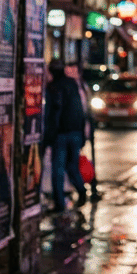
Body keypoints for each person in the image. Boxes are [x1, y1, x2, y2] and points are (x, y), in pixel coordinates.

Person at [44, 58, 88, 213]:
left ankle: (59, 203)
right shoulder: (72, 84)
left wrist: (49, 136)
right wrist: (82, 132)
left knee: (58, 169)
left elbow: (53, 114)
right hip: (75, 132)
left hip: (60, 134)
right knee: (72, 166)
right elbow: (80, 109)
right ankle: (81, 192)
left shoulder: (53, 87)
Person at [66, 63, 101, 201]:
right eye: (68, 72)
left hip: (79, 130)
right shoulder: (70, 87)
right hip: (74, 130)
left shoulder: (82, 88)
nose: (70, 74)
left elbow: (86, 110)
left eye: (73, 71)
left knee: (74, 163)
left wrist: (87, 128)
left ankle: (82, 188)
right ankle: (78, 188)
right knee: (71, 163)